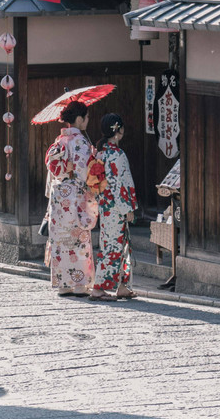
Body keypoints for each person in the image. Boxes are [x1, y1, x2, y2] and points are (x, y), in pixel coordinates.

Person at [44, 100, 98, 297]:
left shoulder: (59, 141)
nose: (87, 120)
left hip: (59, 197)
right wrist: (95, 158)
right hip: (75, 196)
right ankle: (79, 284)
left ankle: (63, 283)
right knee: (78, 240)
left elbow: (53, 171)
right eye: (86, 117)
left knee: (60, 240)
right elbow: (85, 172)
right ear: (78, 119)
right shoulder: (80, 142)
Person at [88, 113, 139, 301]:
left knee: (118, 244)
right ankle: (99, 288)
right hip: (116, 207)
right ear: (119, 130)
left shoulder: (100, 153)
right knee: (112, 247)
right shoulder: (117, 155)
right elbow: (120, 184)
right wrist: (128, 209)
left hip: (105, 205)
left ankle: (123, 286)